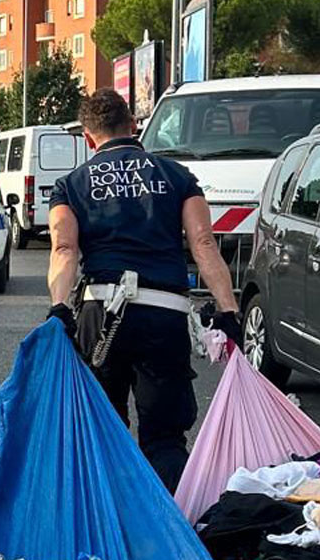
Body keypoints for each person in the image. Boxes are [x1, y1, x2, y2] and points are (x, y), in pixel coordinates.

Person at [45, 88, 244, 492]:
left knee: (105, 428)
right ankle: (171, 529)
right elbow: (203, 243)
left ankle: (114, 526)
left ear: (87, 138)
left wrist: (60, 309)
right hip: (163, 313)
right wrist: (228, 311)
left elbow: (64, 248)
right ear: (134, 127)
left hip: (101, 314)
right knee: (165, 436)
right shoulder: (177, 176)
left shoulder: (71, 185)